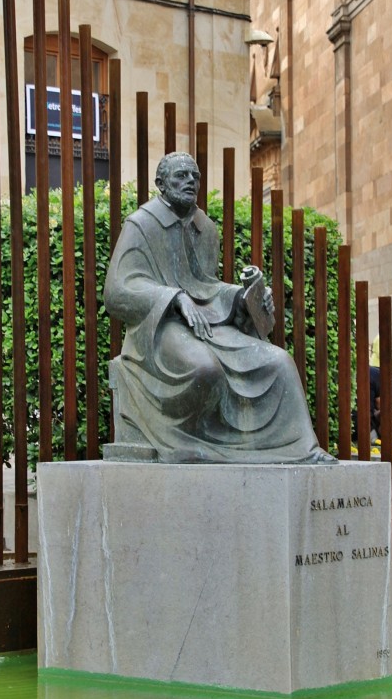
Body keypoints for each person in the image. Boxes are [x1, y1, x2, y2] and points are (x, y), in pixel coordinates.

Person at [104, 153, 335, 465]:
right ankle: (193, 446)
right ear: (160, 183)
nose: (190, 182)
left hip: (206, 323)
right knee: (204, 369)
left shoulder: (205, 229)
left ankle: (300, 450)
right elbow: (117, 290)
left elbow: (204, 284)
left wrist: (242, 297)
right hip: (159, 327)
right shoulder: (141, 225)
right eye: (181, 176)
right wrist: (174, 298)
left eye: (195, 176)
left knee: (279, 361)